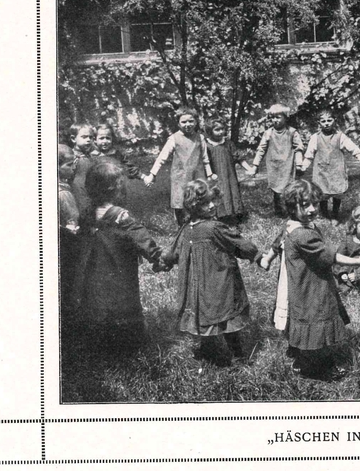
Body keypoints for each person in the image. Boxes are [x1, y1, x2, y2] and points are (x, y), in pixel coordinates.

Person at [258, 180, 360, 379]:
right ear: (292, 207)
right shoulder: (302, 235)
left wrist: (268, 258)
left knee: (298, 314)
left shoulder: (293, 226)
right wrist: (358, 261)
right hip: (309, 284)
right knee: (314, 317)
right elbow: (329, 256)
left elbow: (278, 242)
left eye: (315, 204)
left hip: (297, 279)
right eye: (305, 205)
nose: (312, 209)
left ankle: (297, 351)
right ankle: (315, 367)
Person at [161, 180, 261, 366]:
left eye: (213, 201)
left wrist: (164, 261)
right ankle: (235, 354)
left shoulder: (186, 228)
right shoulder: (213, 227)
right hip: (218, 282)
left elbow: (174, 251)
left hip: (198, 286)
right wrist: (256, 254)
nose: (213, 205)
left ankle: (210, 349)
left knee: (204, 315)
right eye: (206, 203)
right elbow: (238, 242)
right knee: (225, 314)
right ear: (194, 206)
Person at [74, 161, 166, 353]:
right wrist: (158, 257)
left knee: (96, 301)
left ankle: (98, 341)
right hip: (119, 271)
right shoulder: (121, 216)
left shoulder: (87, 213)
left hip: (94, 270)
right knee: (124, 302)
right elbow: (141, 237)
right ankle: (127, 343)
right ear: (114, 189)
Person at [143, 107, 215, 226]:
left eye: (191, 121)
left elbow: (205, 158)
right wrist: (152, 174)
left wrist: (210, 174)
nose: (188, 124)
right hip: (180, 177)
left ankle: (200, 224)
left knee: (199, 197)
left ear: (196, 122)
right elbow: (162, 157)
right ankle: (182, 227)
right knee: (180, 201)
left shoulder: (200, 138)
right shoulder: (174, 139)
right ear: (178, 123)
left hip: (197, 175)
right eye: (184, 122)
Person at [300, 109, 360, 225]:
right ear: (319, 123)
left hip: (336, 170)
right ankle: (325, 213)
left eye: (329, 120)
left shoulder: (340, 136)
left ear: (334, 121)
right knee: (321, 192)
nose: (327, 123)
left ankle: (335, 215)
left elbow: (354, 149)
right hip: (321, 170)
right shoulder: (315, 137)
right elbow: (309, 155)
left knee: (337, 192)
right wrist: (303, 167)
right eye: (323, 121)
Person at [246, 104, 305, 216]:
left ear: (285, 117)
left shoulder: (292, 132)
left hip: (288, 165)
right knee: (276, 189)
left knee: (290, 188)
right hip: (274, 165)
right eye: (273, 117)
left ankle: (292, 210)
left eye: (278, 117)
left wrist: (299, 164)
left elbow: (299, 148)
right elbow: (261, 149)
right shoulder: (268, 133)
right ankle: (279, 211)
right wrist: (255, 166)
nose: (275, 120)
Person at [202, 119, 253, 224]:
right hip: (216, 175)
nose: (221, 132)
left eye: (222, 129)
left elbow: (239, 158)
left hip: (230, 175)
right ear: (210, 131)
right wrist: (209, 174)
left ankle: (235, 214)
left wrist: (249, 168)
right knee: (219, 193)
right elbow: (205, 162)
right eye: (217, 129)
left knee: (233, 191)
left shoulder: (228, 144)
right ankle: (220, 216)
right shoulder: (207, 146)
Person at [58, 144, 80, 331]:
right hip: (68, 245)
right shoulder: (64, 194)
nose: (74, 168)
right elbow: (74, 223)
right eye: (69, 165)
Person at [68, 123, 96, 213]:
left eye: (91, 137)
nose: (88, 140)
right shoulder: (72, 157)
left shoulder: (90, 157)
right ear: (73, 139)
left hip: (91, 196)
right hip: (79, 199)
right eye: (84, 137)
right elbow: (76, 183)